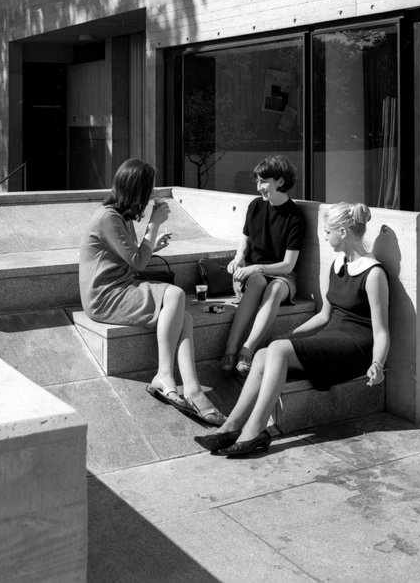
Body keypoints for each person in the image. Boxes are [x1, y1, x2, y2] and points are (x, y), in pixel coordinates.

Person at [196, 202, 390, 457]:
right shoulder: (337, 264)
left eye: (327, 231)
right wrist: (289, 336)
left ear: (342, 232)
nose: (324, 235)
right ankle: (232, 426)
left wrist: (377, 363)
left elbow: (381, 331)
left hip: (357, 347)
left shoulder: (373, 273)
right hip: (333, 336)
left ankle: (254, 431)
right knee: (266, 351)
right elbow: (324, 316)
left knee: (276, 350)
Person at [79, 158, 226, 426]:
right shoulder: (108, 218)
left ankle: (192, 389)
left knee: (186, 317)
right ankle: (163, 376)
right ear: (137, 189)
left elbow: (130, 258)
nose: (152, 195)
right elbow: (137, 262)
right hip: (105, 296)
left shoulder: (119, 216)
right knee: (176, 295)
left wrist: (153, 244)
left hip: (120, 287)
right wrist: (154, 224)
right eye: (150, 188)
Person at [220, 155, 306, 376]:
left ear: (280, 181)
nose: (259, 187)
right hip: (253, 276)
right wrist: (239, 257)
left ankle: (247, 350)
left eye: (264, 182)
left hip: (282, 277)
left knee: (274, 286)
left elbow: (288, 265)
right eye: (258, 182)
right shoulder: (255, 206)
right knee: (258, 281)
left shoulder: (295, 217)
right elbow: (246, 240)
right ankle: (230, 349)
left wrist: (257, 268)